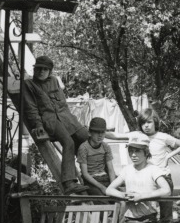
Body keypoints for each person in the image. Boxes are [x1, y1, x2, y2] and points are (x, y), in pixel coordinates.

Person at [24, 55, 89, 195]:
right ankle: (69, 182)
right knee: (68, 142)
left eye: (45, 69)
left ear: (50, 71)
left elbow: (63, 104)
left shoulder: (54, 81)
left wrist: (73, 121)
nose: (41, 72)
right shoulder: (28, 84)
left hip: (66, 117)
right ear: (34, 70)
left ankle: (90, 175)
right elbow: (31, 109)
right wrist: (38, 125)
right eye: (39, 69)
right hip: (50, 120)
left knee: (85, 138)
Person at [106, 132, 171, 223]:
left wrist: (142, 196)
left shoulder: (154, 170)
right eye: (131, 151)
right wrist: (124, 195)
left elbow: (167, 190)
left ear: (146, 152)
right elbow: (109, 190)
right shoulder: (127, 170)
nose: (133, 155)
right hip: (129, 221)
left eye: (137, 151)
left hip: (147, 222)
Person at [137, 108, 180, 223]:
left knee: (166, 217)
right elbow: (116, 135)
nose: (146, 126)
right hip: (148, 179)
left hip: (164, 178)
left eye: (149, 122)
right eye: (143, 123)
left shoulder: (163, 137)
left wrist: (167, 156)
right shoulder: (139, 137)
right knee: (147, 215)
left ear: (155, 123)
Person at [77, 117, 116, 196]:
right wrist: (101, 187)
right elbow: (85, 174)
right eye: (97, 132)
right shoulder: (84, 148)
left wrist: (112, 186)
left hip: (105, 177)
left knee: (120, 195)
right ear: (89, 133)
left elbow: (111, 169)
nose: (100, 135)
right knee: (102, 200)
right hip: (91, 181)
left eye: (102, 132)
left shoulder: (105, 146)